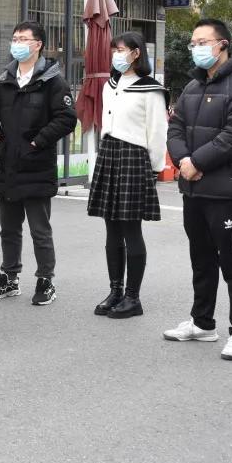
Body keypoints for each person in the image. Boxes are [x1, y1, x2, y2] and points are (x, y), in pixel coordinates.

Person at [165, 18, 232, 360]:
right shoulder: (193, 86)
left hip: (228, 189)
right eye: (193, 42)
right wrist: (182, 160)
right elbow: (175, 126)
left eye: (202, 42)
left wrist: (196, 163)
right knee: (200, 258)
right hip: (194, 188)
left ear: (223, 44)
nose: (195, 48)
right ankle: (202, 322)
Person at [0, 21, 77, 305]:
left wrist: (37, 142)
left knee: (39, 230)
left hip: (37, 166)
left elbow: (67, 118)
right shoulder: (4, 79)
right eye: (15, 38)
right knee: (9, 228)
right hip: (8, 165)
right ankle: (9, 278)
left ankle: (46, 280)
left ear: (38, 45)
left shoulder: (53, 81)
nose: (17, 43)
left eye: (24, 39)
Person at [86, 31, 168, 319]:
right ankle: (115, 290)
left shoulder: (150, 89)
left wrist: (156, 168)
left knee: (131, 229)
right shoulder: (111, 84)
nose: (116, 54)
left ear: (136, 53)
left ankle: (133, 297)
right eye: (114, 50)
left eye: (122, 49)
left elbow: (158, 131)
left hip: (134, 157)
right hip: (109, 153)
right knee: (111, 229)